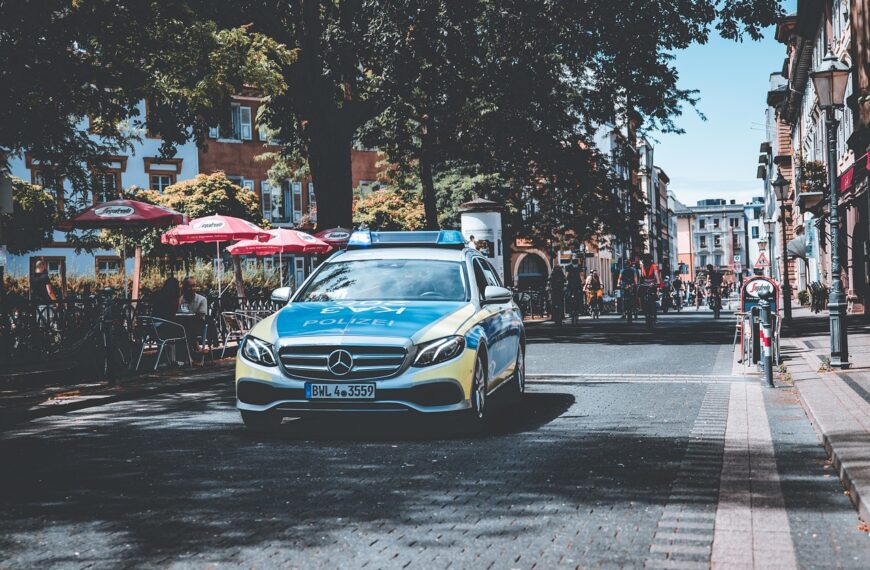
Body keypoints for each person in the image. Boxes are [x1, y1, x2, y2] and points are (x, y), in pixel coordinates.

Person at [30, 259, 58, 328]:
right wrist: (56, 302)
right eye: (45, 265)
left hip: (37, 305)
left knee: (41, 327)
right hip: (47, 305)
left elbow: (31, 292)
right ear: (42, 266)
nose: (45, 267)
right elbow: (50, 292)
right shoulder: (45, 277)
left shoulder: (32, 277)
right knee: (52, 326)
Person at [565, 256, 583, 321]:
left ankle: (569, 311)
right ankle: (580, 310)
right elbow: (581, 275)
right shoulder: (579, 266)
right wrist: (582, 283)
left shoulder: (568, 266)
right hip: (577, 285)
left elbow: (567, 275)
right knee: (580, 297)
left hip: (570, 285)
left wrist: (565, 281)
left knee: (567, 297)